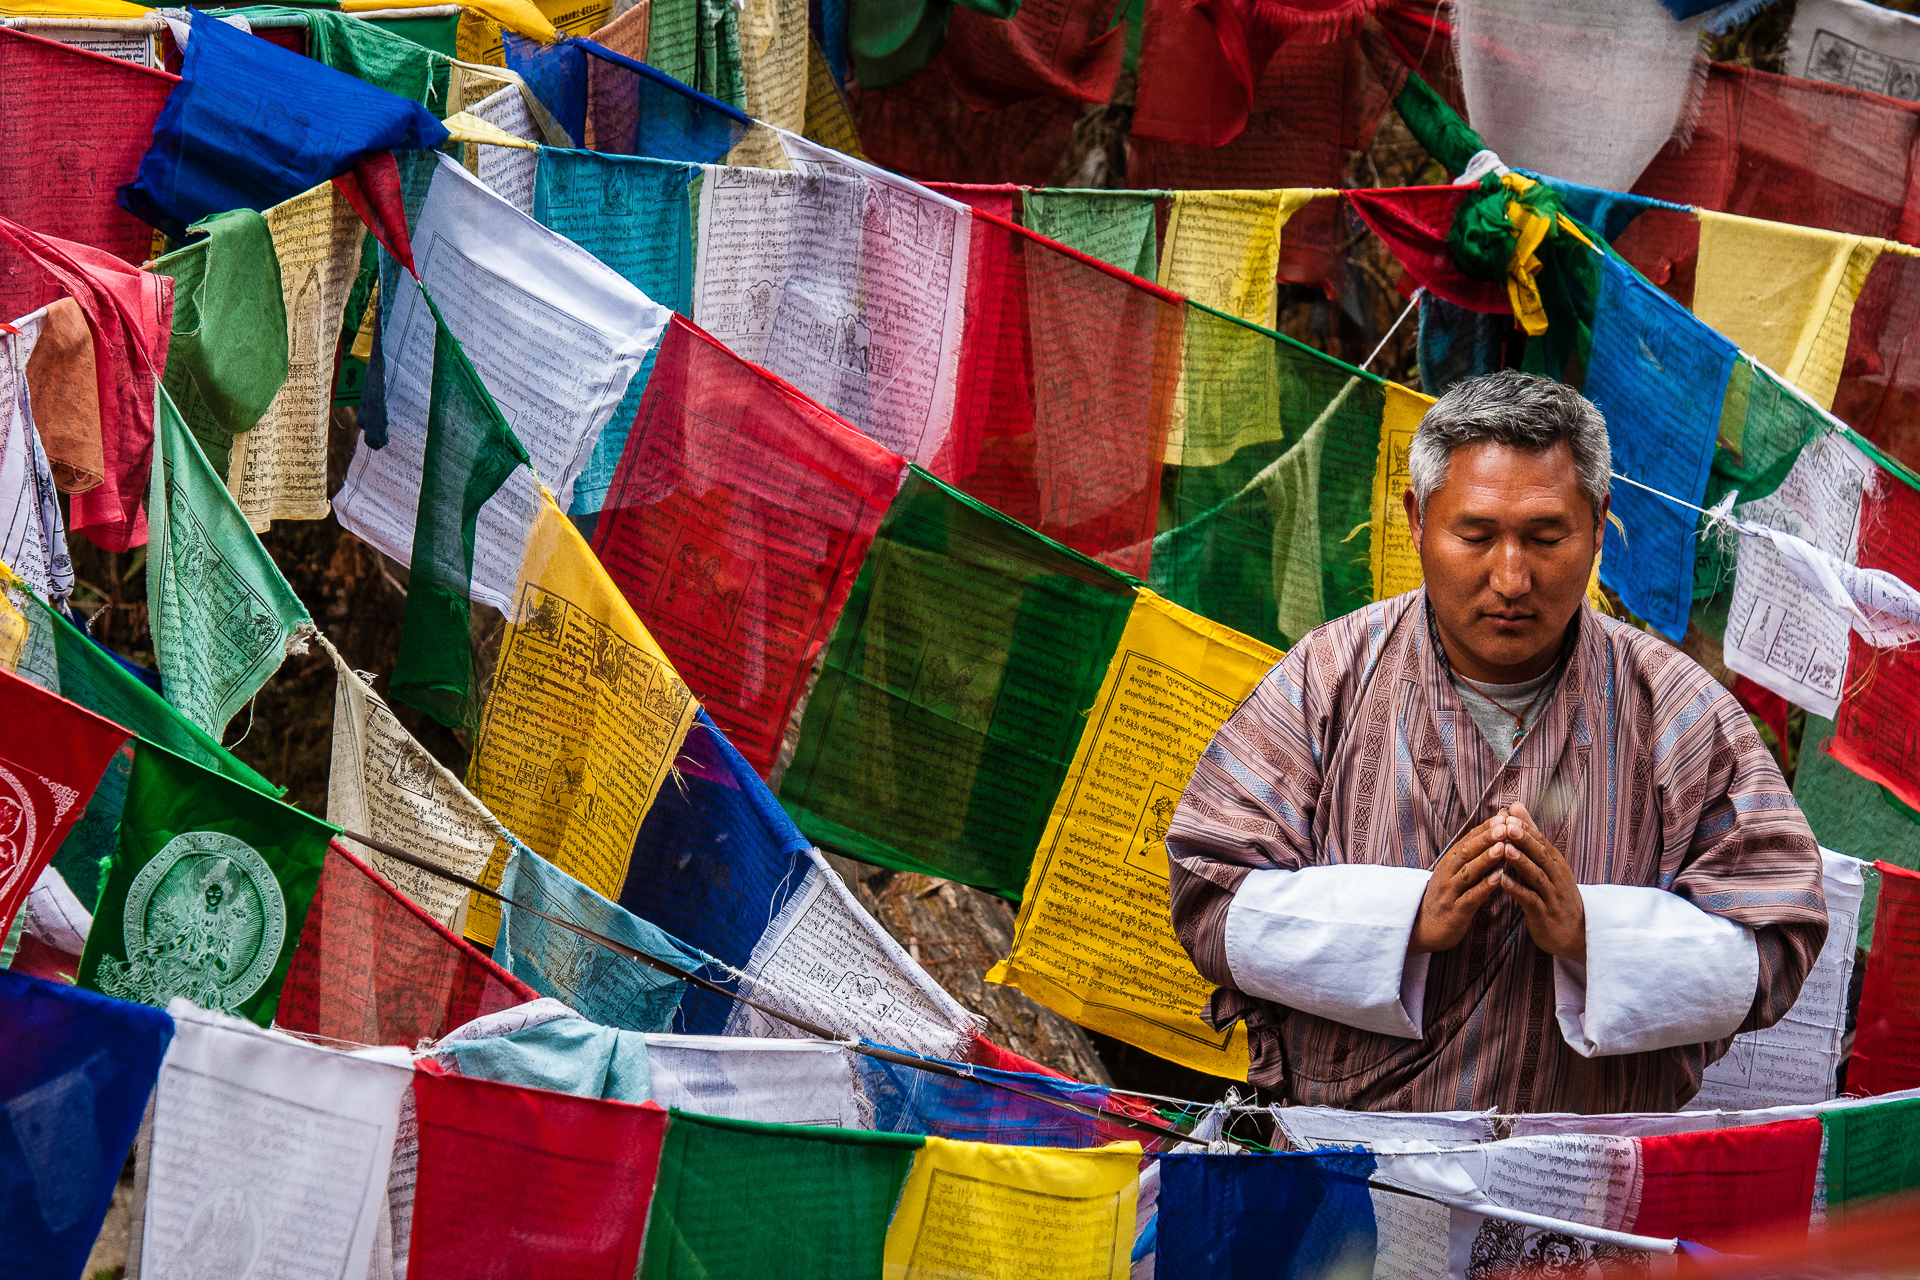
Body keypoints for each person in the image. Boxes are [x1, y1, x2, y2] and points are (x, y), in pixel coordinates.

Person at [1166, 370, 1828, 1113]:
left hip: (1580, 1192)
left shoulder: (1677, 710)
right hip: (1358, 1184)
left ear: (1600, 521)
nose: (1511, 578)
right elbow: (1207, 890)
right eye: (1475, 535)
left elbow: (1777, 942)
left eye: (1546, 537)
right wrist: (1403, 922)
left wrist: (1592, 937)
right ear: (1418, 521)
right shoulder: (1327, 680)